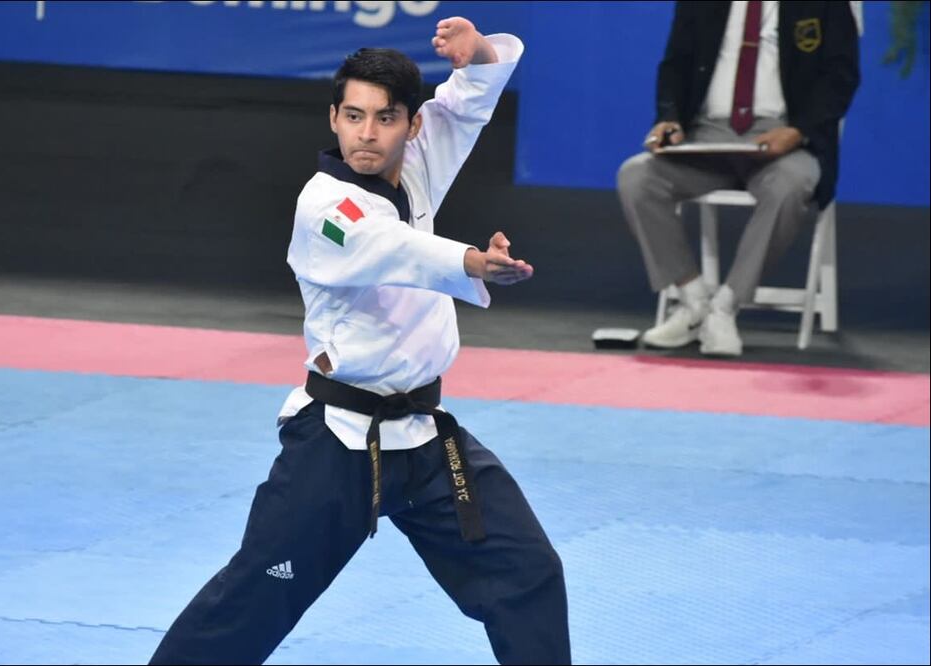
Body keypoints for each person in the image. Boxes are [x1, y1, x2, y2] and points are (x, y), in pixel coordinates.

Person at [149, 16, 572, 666]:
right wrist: (473, 262)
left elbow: (464, 107)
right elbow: (392, 247)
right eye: (353, 116)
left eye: (384, 118)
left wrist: (481, 54)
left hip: (425, 439)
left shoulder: (417, 167)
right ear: (334, 118)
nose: (366, 134)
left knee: (528, 573)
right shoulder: (326, 208)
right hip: (337, 443)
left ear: (410, 125)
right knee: (250, 602)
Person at [617, 1, 860, 356]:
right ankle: (693, 301)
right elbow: (676, 64)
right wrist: (669, 118)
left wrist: (798, 131)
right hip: (706, 135)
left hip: (781, 136)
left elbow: (841, 76)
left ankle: (725, 307)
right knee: (637, 176)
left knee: (791, 184)